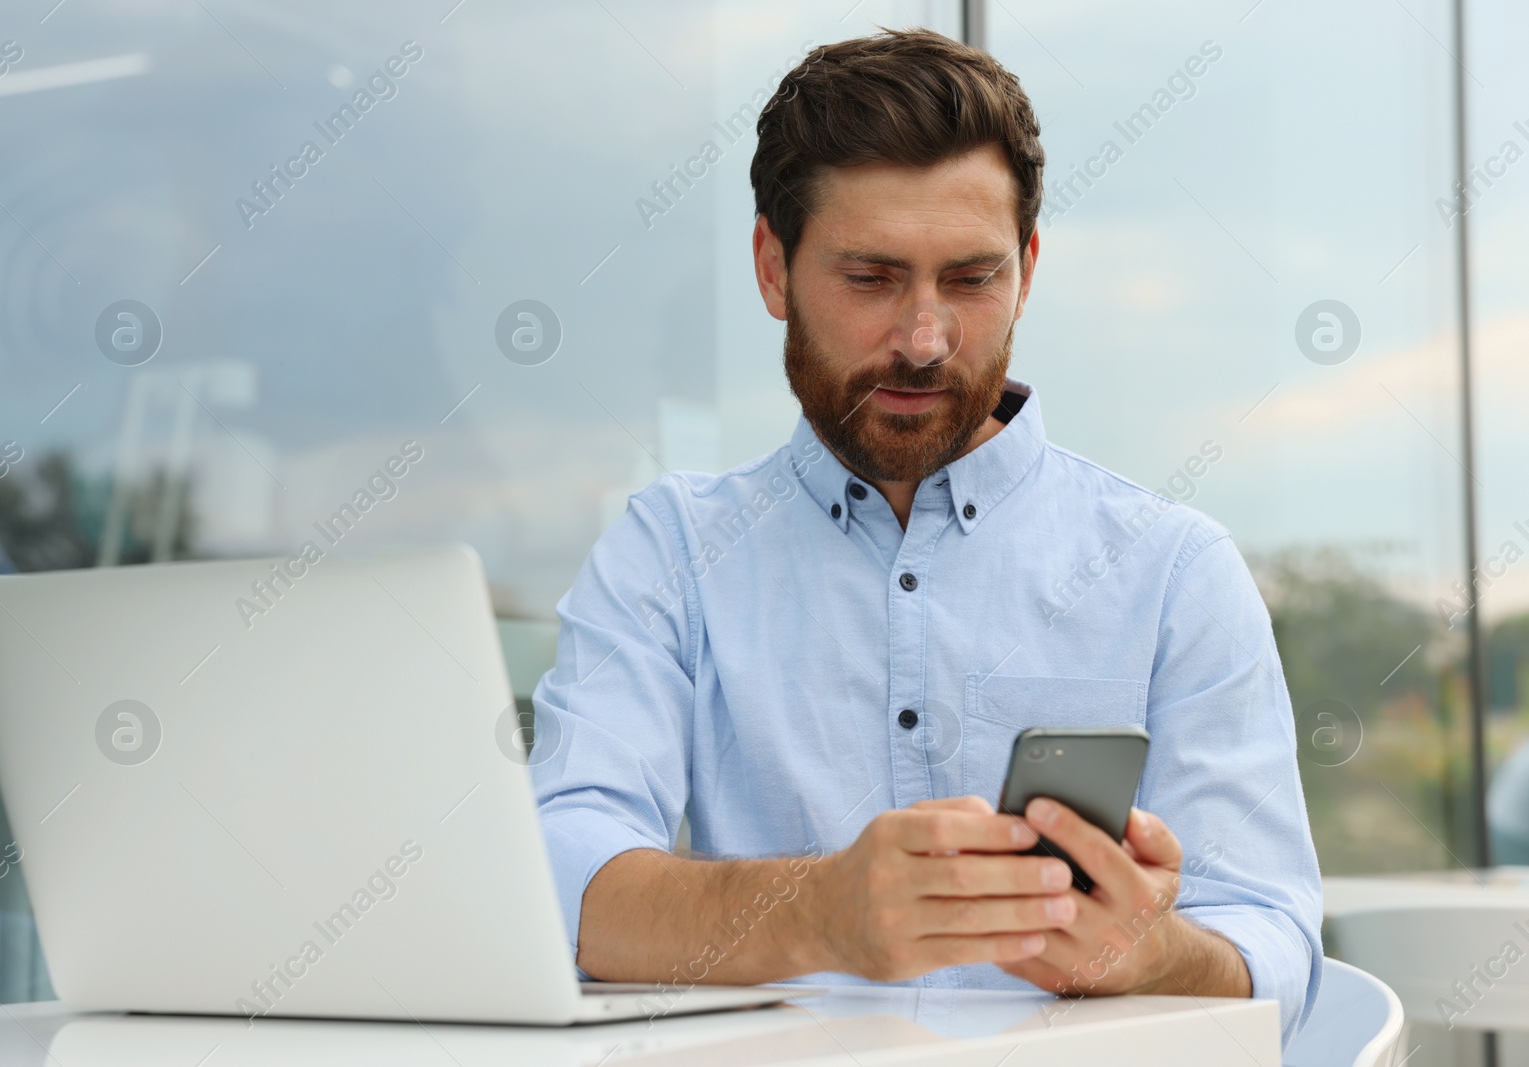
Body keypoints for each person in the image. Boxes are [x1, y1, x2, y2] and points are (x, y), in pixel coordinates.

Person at [530, 27, 1322, 1042]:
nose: (923, 337)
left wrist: (1153, 955)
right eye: (870, 277)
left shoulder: (1173, 569)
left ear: (1027, 270)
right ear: (774, 268)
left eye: (970, 278)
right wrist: (819, 909)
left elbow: (1274, 937)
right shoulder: (673, 548)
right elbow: (561, 871)